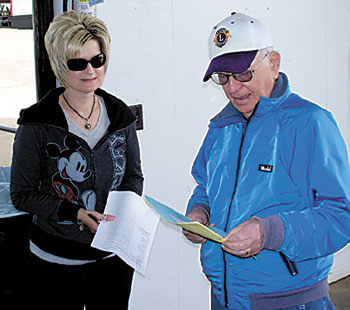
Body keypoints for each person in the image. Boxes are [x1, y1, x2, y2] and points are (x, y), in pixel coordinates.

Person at [183, 12, 350, 310]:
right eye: (223, 78)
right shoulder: (220, 128)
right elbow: (205, 186)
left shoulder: (311, 124)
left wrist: (270, 232)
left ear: (273, 63)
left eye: (243, 74)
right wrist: (198, 213)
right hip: (223, 296)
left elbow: (341, 215)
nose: (233, 89)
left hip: (290, 301)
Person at [10, 11, 143, 310]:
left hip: (112, 260)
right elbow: (22, 194)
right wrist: (76, 213)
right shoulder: (36, 124)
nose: (90, 70)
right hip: (55, 263)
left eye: (97, 60)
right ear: (60, 65)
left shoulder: (121, 116)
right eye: (77, 63)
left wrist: (124, 211)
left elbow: (133, 177)